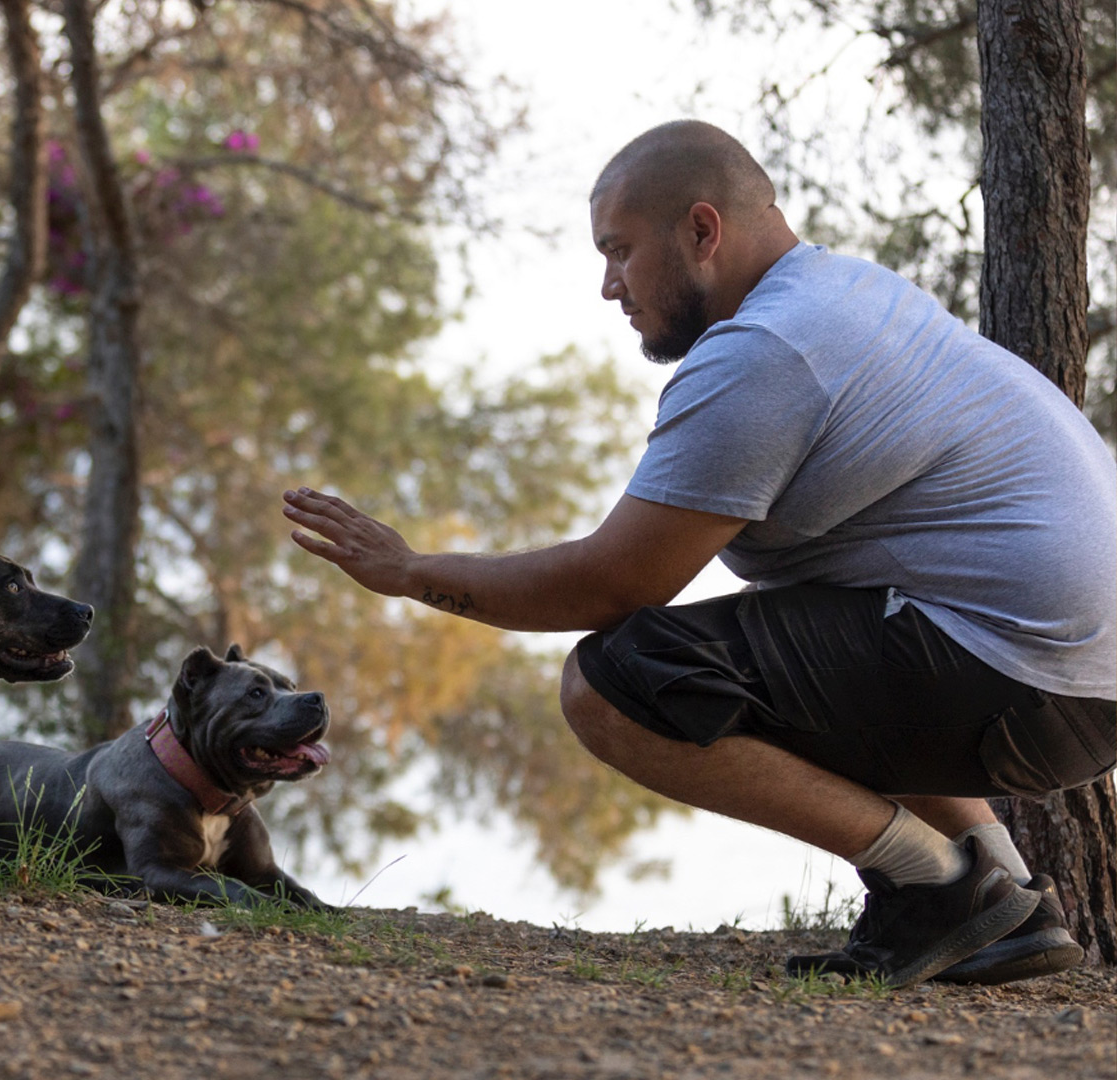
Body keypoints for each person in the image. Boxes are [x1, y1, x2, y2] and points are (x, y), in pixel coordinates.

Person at [281, 119, 1117, 988]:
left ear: (702, 232)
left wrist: (414, 573)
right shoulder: (847, 298)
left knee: (617, 684)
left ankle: (939, 887)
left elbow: (611, 585)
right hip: (1079, 685)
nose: (609, 286)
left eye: (619, 251)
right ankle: (1007, 893)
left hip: (1023, 671)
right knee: (799, 648)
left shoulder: (769, 350)